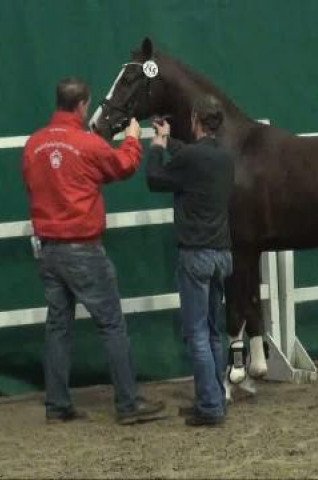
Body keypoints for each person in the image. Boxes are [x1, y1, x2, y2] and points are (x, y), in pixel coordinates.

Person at [22, 77, 165, 425]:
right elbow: (122, 166)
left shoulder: (33, 145)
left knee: (58, 326)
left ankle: (57, 404)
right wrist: (133, 138)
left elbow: (32, 182)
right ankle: (128, 404)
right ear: (83, 105)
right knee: (112, 324)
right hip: (82, 248)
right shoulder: (87, 144)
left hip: (48, 249)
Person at [146, 95, 234, 427]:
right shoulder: (225, 157)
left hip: (195, 253)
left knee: (195, 332)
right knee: (213, 331)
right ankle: (213, 399)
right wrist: (170, 139)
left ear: (196, 118)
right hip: (221, 253)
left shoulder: (191, 159)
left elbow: (155, 179)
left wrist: (156, 144)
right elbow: (191, 158)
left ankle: (209, 406)